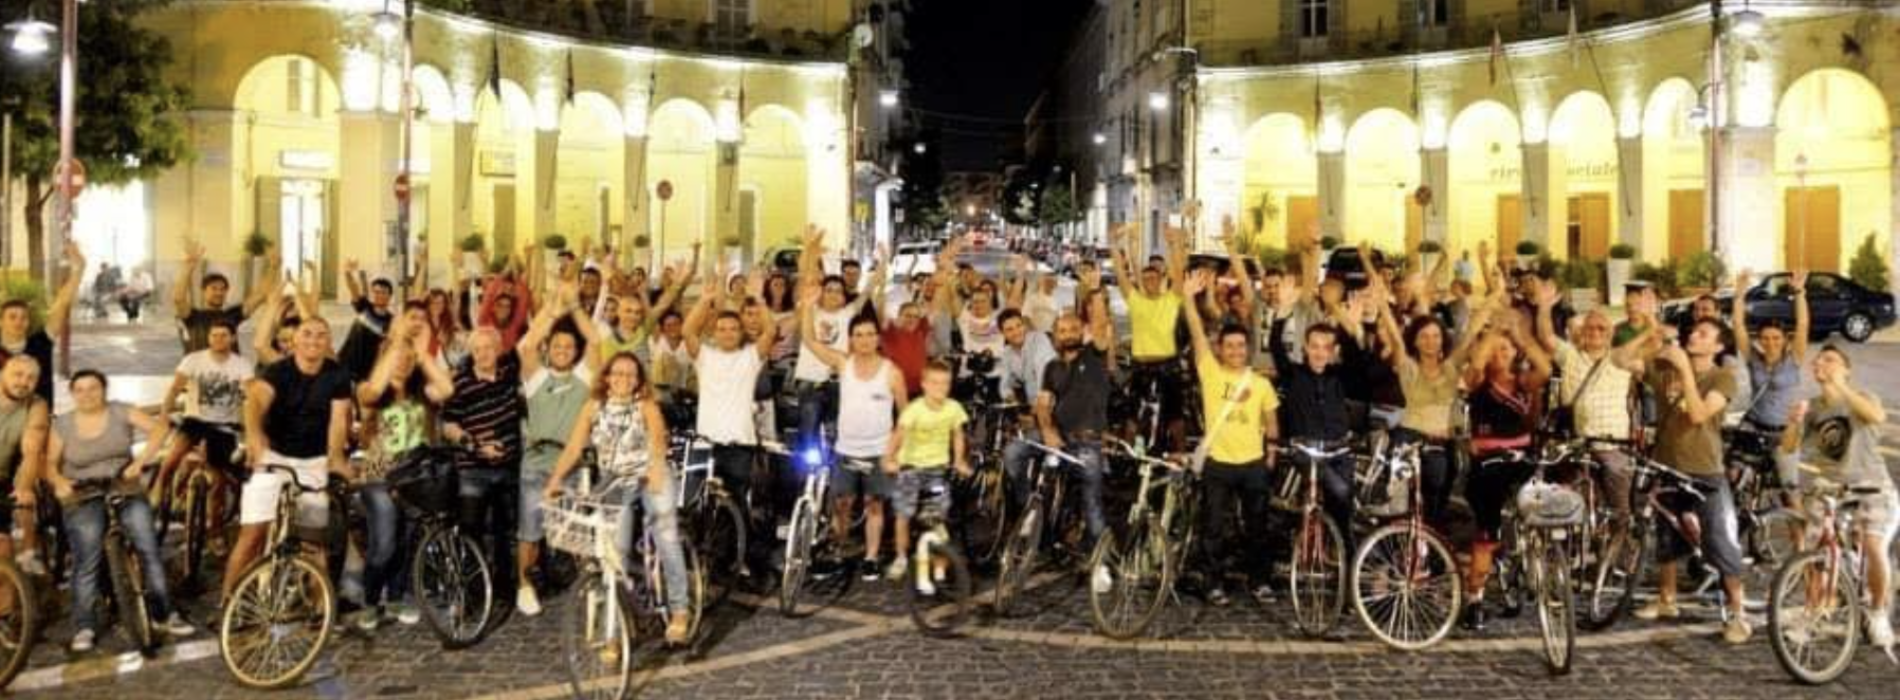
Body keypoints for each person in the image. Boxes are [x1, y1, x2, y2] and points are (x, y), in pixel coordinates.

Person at [543, 352, 693, 644]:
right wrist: (555, 480)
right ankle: (614, 627)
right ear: (607, 377)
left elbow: (659, 440)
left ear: (638, 380)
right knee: (614, 553)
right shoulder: (593, 406)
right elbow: (574, 447)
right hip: (616, 482)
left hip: (651, 473)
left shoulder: (645, 405)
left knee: (666, 536)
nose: (623, 379)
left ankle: (680, 610)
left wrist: (657, 470)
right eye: (618, 373)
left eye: (630, 374)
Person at [43, 371, 195, 652]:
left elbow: (161, 429)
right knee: (86, 559)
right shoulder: (63, 424)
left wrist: (141, 461)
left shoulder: (120, 410)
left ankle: (164, 613)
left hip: (122, 484)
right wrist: (60, 481)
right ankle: (84, 625)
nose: (87, 394)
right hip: (82, 491)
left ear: (104, 389)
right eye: (80, 390)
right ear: (73, 394)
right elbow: (49, 462)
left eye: (94, 388)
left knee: (148, 548)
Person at [1635, 318, 1751, 644]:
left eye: (1704, 334)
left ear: (1717, 346)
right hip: (1667, 465)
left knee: (1720, 540)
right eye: (1693, 331)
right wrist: (1648, 332)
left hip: (1704, 470)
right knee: (1667, 537)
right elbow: (1619, 360)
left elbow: (1699, 414)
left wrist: (1685, 371)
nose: (1693, 335)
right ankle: (1666, 599)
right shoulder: (1666, 367)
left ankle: (1739, 613)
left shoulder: (1722, 377)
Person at [1778, 345, 1896, 650]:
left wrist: (1841, 387)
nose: (1821, 363)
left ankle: (1878, 611)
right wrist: (1794, 422)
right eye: (1819, 360)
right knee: (1814, 552)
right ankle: (1815, 611)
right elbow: (1789, 447)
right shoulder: (1813, 407)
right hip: (1831, 488)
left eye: (1830, 360)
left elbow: (1876, 416)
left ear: (1846, 369)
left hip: (1872, 486)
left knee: (1872, 546)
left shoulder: (1863, 398)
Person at [228, 317, 353, 601]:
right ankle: (228, 602)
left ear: (328, 342)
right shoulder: (278, 371)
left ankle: (320, 609)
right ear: (295, 340)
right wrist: (255, 438)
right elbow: (255, 401)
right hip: (274, 457)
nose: (313, 340)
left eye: (321, 335)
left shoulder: (337, 375)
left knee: (313, 540)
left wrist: (335, 458)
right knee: (252, 535)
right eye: (307, 334)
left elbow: (338, 421)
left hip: (312, 463)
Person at [1182, 269, 1281, 606]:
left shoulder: (1261, 383)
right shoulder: (1210, 372)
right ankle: (1213, 583)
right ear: (1220, 349)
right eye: (1230, 346)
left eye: (1241, 345)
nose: (1236, 350)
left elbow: (1270, 418)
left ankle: (1260, 580)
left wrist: (1271, 451)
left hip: (1252, 463)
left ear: (1247, 348)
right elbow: (1196, 334)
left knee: (1258, 527)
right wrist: (1188, 299)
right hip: (1218, 463)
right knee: (1213, 529)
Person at [798, 285, 907, 580]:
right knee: (841, 504)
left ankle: (871, 557)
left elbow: (905, 415)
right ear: (851, 339)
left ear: (877, 338)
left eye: (870, 335)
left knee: (874, 505)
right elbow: (808, 340)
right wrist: (808, 307)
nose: (865, 340)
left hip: (878, 450)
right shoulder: (843, 363)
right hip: (846, 449)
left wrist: (894, 449)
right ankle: (838, 549)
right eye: (858, 335)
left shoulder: (891, 372)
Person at [352, 315, 455, 629]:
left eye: (408, 360)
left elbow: (447, 388)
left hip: (414, 479)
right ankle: (371, 600)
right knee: (384, 543)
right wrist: (396, 343)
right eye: (398, 359)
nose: (403, 364)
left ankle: (396, 599)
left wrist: (421, 353)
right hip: (379, 478)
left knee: (405, 540)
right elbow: (370, 390)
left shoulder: (422, 394)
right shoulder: (374, 395)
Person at [1458, 305, 1552, 632]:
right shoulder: (1479, 384)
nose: (1502, 352)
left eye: (1507, 348)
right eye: (1497, 348)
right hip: (1488, 463)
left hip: (1522, 459)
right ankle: (1475, 598)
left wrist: (1521, 335)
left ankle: (1536, 564)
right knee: (1486, 531)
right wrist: (1496, 330)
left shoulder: (1525, 382)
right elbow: (1476, 363)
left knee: (1545, 502)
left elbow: (1545, 366)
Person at [514, 282, 602, 616]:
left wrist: (575, 305)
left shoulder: (583, 377)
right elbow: (529, 345)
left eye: (568, 346)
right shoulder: (537, 378)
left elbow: (594, 340)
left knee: (579, 531)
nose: (562, 350)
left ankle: (588, 590)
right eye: (557, 345)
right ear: (549, 349)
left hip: (573, 465)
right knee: (530, 530)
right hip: (537, 463)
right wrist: (552, 309)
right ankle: (524, 584)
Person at [1534, 280, 1655, 526]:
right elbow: (1546, 336)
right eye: (1590, 328)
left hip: (1613, 445)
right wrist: (1544, 307)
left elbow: (1652, 348)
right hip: (1577, 442)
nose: (1595, 332)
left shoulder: (1620, 358)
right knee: (1561, 494)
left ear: (1610, 334)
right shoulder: (1571, 356)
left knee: (1619, 509)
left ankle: (1619, 553)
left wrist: (1650, 320)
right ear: (1580, 332)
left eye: (1601, 329)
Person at [682, 263, 777, 561]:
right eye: (721, 328)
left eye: (733, 328)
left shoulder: (750, 357)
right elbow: (688, 330)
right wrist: (706, 298)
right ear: (715, 332)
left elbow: (771, 330)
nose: (727, 333)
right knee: (697, 506)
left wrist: (758, 299)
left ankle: (738, 560)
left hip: (739, 444)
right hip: (706, 443)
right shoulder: (705, 357)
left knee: (736, 504)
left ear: (740, 332)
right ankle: (701, 559)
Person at [442, 326, 527, 603]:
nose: (482, 354)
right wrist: (476, 445)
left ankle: (503, 588)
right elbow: (448, 425)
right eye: (477, 349)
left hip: (508, 467)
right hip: (473, 469)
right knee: (471, 530)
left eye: (488, 348)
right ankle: (472, 589)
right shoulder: (461, 382)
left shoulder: (510, 375)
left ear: (498, 349)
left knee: (506, 531)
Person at [153, 318, 255, 540]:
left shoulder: (242, 365)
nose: (218, 340)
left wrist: (251, 429)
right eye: (214, 335)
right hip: (195, 420)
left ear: (233, 338)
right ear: (208, 337)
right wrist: (164, 414)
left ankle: (215, 530)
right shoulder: (193, 360)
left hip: (224, 427)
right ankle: (158, 493)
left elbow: (250, 396)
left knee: (218, 481)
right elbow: (174, 389)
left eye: (223, 335)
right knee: (171, 459)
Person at [881, 360, 971, 584]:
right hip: (911, 467)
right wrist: (888, 458)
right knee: (904, 513)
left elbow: (958, 435)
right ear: (924, 385)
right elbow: (898, 434)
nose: (940, 388)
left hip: (936, 470)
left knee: (937, 516)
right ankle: (901, 557)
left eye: (945, 383)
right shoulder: (915, 409)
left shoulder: (953, 408)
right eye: (935, 383)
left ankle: (939, 557)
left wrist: (959, 460)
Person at [1112, 222, 1188, 450]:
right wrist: (1115, 244)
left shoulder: (1171, 299)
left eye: (1153, 278)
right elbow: (1119, 272)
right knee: (1132, 413)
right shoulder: (1136, 301)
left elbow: (1178, 270)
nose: (1149, 282)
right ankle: (1127, 455)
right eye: (1145, 279)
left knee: (1175, 413)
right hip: (1141, 366)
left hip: (1168, 365)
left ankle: (1181, 452)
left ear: (1160, 279)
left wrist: (1173, 243)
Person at [1731, 269, 1810, 441]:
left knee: (1785, 468)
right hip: (1753, 427)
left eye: (1776, 338)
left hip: (1784, 432)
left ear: (1785, 340)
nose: (1770, 342)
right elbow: (1738, 325)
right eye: (1765, 338)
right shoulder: (1753, 358)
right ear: (1759, 340)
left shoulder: (1794, 359)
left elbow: (1802, 325)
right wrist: (1739, 295)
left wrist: (1799, 293)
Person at [2, 241, 83, 403]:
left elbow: (62, 302)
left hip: (39, 419)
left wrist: (78, 269)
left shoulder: (41, 342)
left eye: (23, 317)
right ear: (1, 321)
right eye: (12, 316)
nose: (19, 321)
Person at [173, 239, 271, 354]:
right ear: (203, 291)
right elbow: (178, 298)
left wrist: (273, 268)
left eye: (223, 289)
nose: (219, 293)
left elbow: (260, 296)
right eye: (214, 288)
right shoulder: (193, 316)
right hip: (200, 370)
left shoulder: (232, 315)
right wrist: (189, 267)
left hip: (230, 369)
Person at [0, 357, 51, 575]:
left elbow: (32, 450)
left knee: (2, 546)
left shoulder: (36, 404)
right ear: (2, 373)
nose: (23, 382)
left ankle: (8, 605)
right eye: (17, 374)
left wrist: (23, 489)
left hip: (4, 473)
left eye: (31, 377)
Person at [338, 259, 398, 381]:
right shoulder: (364, 308)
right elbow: (353, 290)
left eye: (383, 292)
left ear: (390, 296)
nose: (379, 295)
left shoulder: (392, 321)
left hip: (369, 373)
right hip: (346, 366)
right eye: (376, 292)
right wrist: (348, 273)